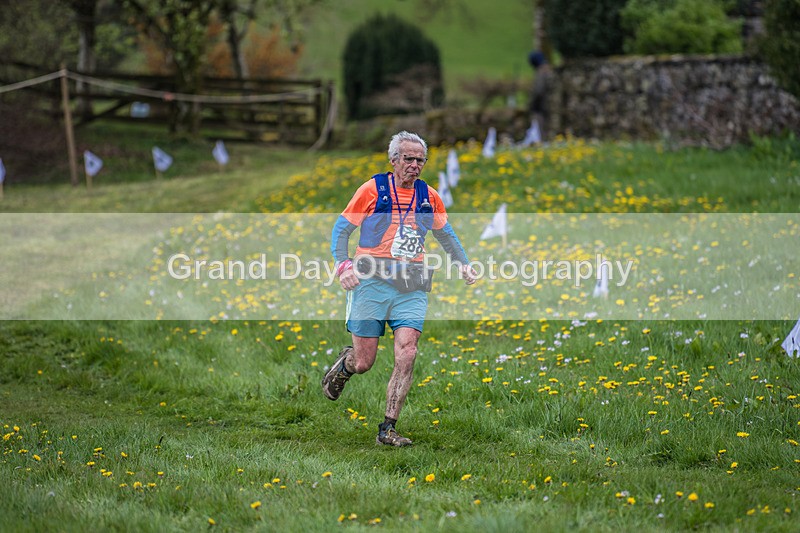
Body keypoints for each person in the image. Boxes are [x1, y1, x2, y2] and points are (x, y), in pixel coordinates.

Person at [323, 131, 477, 447]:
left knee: (407, 352)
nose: (415, 165)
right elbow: (341, 231)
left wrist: (462, 263)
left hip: (411, 284)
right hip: (371, 282)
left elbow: (445, 234)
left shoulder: (428, 197)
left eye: (420, 160)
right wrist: (344, 266)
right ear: (394, 160)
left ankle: (387, 428)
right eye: (409, 159)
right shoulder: (371, 190)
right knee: (365, 362)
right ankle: (346, 364)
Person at [527, 50, 553, 141]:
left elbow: (538, 91)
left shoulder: (541, 73)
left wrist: (531, 105)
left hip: (542, 109)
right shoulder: (551, 71)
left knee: (541, 135)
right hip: (553, 108)